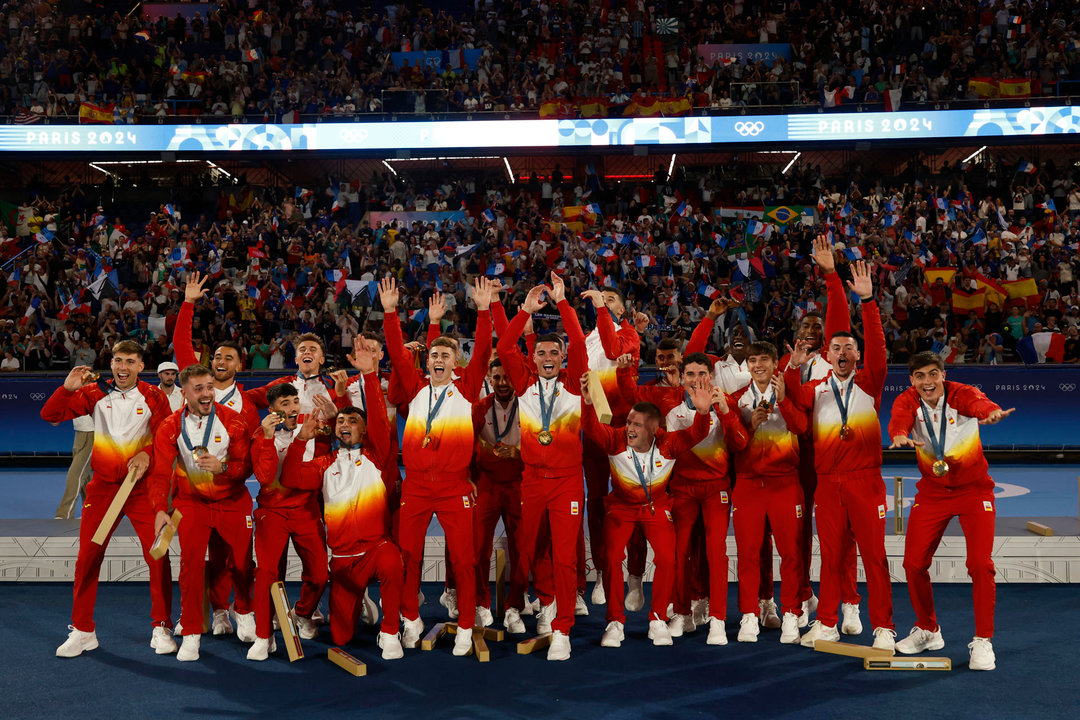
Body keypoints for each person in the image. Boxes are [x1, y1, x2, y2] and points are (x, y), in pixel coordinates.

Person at [378, 276, 495, 657]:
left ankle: (464, 625)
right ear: (427, 361)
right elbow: (396, 354)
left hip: (453, 487)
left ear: (455, 362)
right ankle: (410, 617)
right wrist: (391, 313)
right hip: (415, 487)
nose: (440, 360)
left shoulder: (467, 387)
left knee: (463, 559)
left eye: (447, 355)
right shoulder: (415, 389)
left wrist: (482, 310)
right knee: (406, 556)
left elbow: (482, 354)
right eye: (435, 355)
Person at [786, 261, 896, 650]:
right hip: (829, 485)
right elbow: (789, 402)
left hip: (865, 481)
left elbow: (878, 349)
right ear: (827, 355)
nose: (844, 351)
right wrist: (790, 370)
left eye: (850, 347)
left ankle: (883, 628)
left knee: (874, 556)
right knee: (831, 555)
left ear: (858, 354)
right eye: (837, 347)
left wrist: (866, 301)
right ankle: (827, 622)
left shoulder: (869, 382)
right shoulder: (815, 388)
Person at [40, 341, 174, 658]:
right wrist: (67, 387)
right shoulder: (94, 393)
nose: (122, 367)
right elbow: (50, 414)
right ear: (111, 363)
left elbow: (166, 439)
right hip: (103, 490)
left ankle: (162, 626)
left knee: (158, 554)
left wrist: (146, 453)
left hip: (141, 489)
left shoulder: (155, 397)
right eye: (117, 360)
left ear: (141, 366)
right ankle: (83, 630)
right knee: (88, 556)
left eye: (130, 361)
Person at [887, 351, 1015, 671]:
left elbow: (980, 404)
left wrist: (993, 412)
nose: (927, 382)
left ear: (943, 374)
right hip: (932, 493)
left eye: (933, 374)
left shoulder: (961, 394)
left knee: (980, 564)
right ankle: (928, 630)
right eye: (920, 376)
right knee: (913, 564)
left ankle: (983, 640)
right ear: (912, 380)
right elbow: (899, 421)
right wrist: (899, 435)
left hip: (974, 491)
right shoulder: (907, 401)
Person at [278, 346, 405, 660]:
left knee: (393, 560)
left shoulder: (379, 459)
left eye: (352, 421)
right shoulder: (324, 463)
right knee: (341, 636)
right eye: (340, 422)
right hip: (344, 561)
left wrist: (370, 375)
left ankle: (391, 630)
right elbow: (293, 478)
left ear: (364, 429)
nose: (345, 425)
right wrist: (301, 440)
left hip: (376, 549)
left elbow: (377, 416)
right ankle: (357, 598)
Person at [618, 351, 749, 644]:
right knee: (679, 553)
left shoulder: (725, 405)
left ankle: (717, 619)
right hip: (682, 490)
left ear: (711, 375)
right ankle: (682, 612)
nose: (697, 380)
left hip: (716, 489)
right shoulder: (672, 410)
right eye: (690, 374)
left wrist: (725, 413)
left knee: (716, 552)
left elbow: (739, 444)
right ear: (682, 377)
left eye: (702, 374)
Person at [582, 377, 713, 648]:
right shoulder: (615, 439)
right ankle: (615, 622)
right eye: (629, 422)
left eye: (636, 425)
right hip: (621, 507)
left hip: (657, 507)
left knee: (667, 558)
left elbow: (697, 434)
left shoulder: (669, 444)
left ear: (654, 429)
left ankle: (656, 619)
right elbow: (592, 429)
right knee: (612, 556)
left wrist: (702, 412)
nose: (629, 428)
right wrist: (587, 406)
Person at [496, 276, 588, 660]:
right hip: (531, 480)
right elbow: (503, 345)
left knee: (565, 555)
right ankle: (533, 602)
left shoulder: (573, 386)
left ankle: (562, 626)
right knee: (526, 547)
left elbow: (580, 342)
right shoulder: (523, 386)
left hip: (567, 482)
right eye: (542, 353)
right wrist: (523, 312)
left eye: (555, 353)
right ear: (533, 357)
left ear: (562, 358)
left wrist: (564, 303)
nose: (548, 358)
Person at [148, 364, 255, 662]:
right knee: (190, 567)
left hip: (232, 501)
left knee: (243, 562)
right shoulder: (170, 426)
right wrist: (160, 509)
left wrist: (223, 468)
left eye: (210, 387)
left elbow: (246, 466)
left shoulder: (234, 421)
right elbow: (158, 473)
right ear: (185, 394)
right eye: (199, 389)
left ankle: (244, 610)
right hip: (192, 503)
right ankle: (192, 632)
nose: (207, 394)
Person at [246, 384, 333, 661]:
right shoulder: (260, 435)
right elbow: (266, 476)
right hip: (272, 511)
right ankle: (264, 635)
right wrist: (269, 438)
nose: (294, 407)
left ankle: (303, 612)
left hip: (306, 509)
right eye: (286, 403)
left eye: (296, 401)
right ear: (272, 410)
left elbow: (319, 469)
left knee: (320, 574)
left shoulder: (313, 428)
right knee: (268, 575)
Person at [730, 341, 808, 644]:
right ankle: (749, 614)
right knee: (748, 554)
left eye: (764, 359)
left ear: (776, 363)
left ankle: (791, 613)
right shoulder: (737, 400)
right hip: (748, 485)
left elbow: (801, 427)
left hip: (785, 483)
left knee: (790, 553)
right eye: (753, 360)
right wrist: (749, 425)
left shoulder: (788, 392)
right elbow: (733, 445)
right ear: (747, 365)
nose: (758, 365)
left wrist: (785, 402)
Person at [578, 288, 643, 608]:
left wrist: (605, 310)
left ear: (621, 309)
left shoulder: (629, 332)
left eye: (611, 298)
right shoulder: (588, 337)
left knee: (628, 498)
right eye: (599, 298)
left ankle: (633, 574)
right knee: (596, 500)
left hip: (622, 428)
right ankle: (603, 572)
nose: (602, 301)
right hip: (594, 426)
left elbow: (613, 347)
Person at [471, 358, 528, 631]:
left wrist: (520, 453)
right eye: (497, 378)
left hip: (520, 482)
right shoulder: (479, 408)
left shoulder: (528, 405)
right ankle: (480, 603)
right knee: (478, 546)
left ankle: (515, 605)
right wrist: (468, 479)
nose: (502, 383)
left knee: (522, 548)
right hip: (487, 484)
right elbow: (466, 444)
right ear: (489, 380)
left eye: (507, 377)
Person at [53, 413, 94, 520]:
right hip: (80, 431)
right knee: (84, 475)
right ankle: (92, 511)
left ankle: (64, 515)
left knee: (76, 473)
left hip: (95, 432)